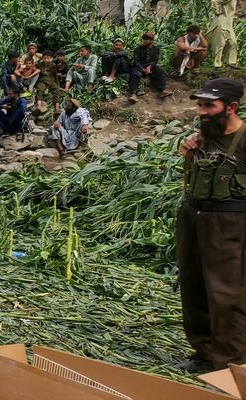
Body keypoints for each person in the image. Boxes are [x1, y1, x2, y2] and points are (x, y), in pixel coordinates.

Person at [176, 78, 246, 372]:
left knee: (227, 294)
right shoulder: (205, 136)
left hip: (230, 223)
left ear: (231, 107)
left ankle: (231, 363)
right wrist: (188, 148)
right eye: (200, 104)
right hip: (194, 217)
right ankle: (203, 352)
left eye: (209, 105)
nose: (202, 111)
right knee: (194, 287)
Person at [128, 32, 169, 102]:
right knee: (134, 73)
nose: (144, 40)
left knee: (161, 71)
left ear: (151, 40)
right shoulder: (137, 49)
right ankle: (133, 94)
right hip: (139, 67)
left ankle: (162, 90)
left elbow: (155, 61)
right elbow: (136, 61)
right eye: (143, 39)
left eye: (146, 39)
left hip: (150, 67)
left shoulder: (156, 49)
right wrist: (143, 69)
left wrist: (149, 67)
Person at [209, 0, 238, 68]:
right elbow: (214, 1)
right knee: (220, 44)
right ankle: (217, 64)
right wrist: (218, 11)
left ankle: (231, 63)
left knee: (233, 43)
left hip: (228, 23)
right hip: (222, 21)